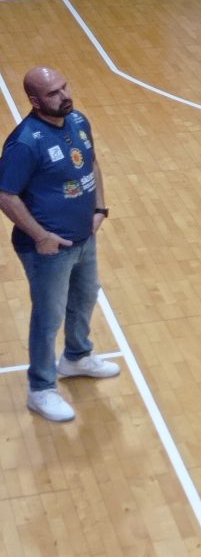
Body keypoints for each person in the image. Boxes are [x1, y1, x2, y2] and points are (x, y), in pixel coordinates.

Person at [0, 67, 119, 423]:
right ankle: (41, 389)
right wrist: (41, 236)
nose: (64, 96)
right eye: (53, 93)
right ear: (35, 101)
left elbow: (91, 163)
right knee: (48, 316)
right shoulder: (25, 143)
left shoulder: (78, 121)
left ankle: (77, 357)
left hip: (83, 237)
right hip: (48, 250)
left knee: (84, 298)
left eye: (64, 87)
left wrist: (100, 208)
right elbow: (6, 195)